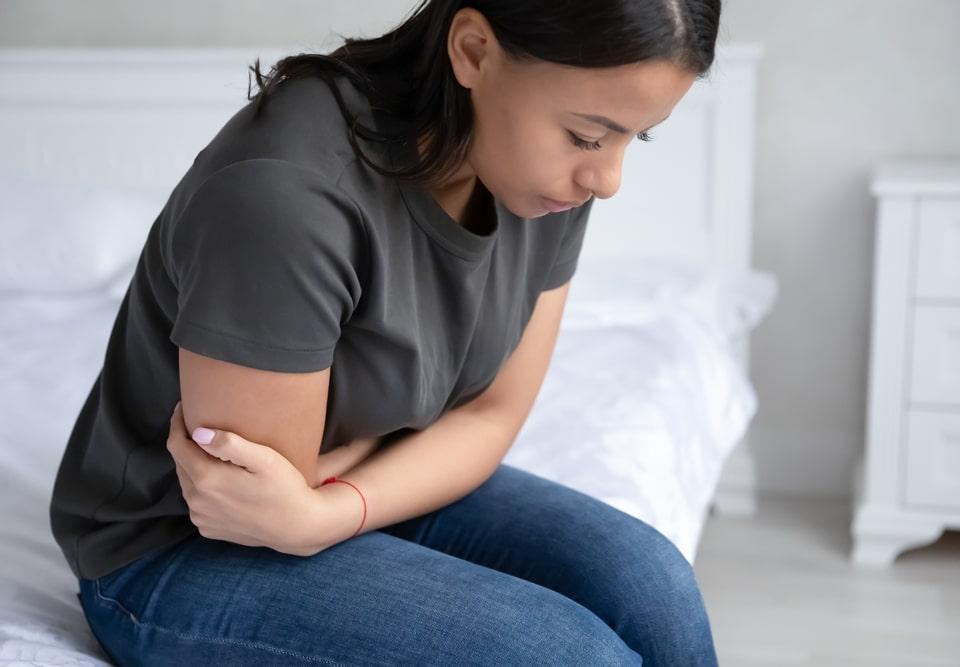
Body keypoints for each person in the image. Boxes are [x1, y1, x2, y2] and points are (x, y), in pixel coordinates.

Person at [52, 1, 722, 664]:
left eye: (638, 136)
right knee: (573, 656)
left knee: (652, 585)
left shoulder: (546, 180)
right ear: (474, 52)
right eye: (586, 136)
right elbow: (254, 503)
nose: (607, 179)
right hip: (180, 546)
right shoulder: (285, 197)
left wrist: (334, 507)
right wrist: (348, 479)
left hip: (338, 498)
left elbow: (491, 416)